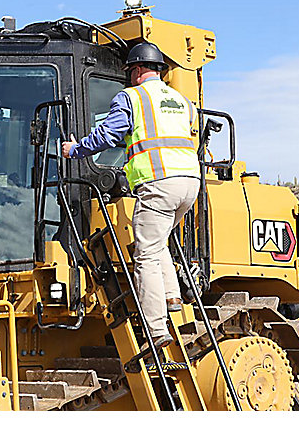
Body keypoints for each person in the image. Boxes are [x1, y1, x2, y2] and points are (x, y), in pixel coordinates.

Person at [62, 42, 199, 348]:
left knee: (145, 256)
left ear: (136, 71)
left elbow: (108, 134)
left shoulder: (133, 97)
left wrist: (76, 150)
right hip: (190, 183)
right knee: (156, 238)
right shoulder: (182, 100)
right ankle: (172, 296)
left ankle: (156, 329)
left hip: (159, 181)